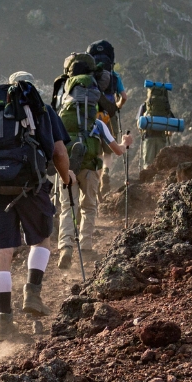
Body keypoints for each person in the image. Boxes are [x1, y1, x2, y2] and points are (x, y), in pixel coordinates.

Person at [0, 71, 75, 342]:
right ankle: (32, 293)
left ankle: (4, 322)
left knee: (3, 252)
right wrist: (66, 178)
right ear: (31, 86)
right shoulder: (42, 109)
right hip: (32, 186)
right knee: (41, 239)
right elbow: (59, 152)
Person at [56, 54, 133, 269]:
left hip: (66, 167)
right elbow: (116, 150)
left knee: (66, 208)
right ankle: (86, 247)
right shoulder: (98, 122)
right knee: (88, 207)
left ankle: (66, 247)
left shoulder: (61, 117)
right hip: (90, 167)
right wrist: (126, 142)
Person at [86, 40, 128, 196]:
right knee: (108, 151)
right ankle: (106, 172)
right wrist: (116, 106)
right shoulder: (114, 75)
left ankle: (96, 180)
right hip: (108, 116)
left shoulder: (88, 76)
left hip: (91, 115)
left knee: (95, 151)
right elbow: (124, 97)